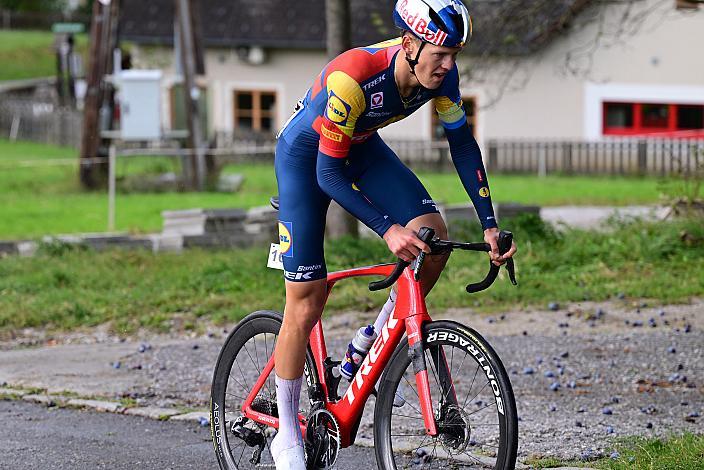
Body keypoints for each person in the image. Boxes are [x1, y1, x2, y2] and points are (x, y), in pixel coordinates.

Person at [270, 0, 517, 467]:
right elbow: (329, 174)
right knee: (306, 299)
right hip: (308, 162)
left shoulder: (442, 77)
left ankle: (374, 338)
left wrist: (489, 224)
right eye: (440, 53)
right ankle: (286, 428)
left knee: (433, 238)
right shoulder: (354, 76)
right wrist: (387, 230)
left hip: (360, 147)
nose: (448, 65)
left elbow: (462, 146)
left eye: (455, 54)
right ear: (408, 44)